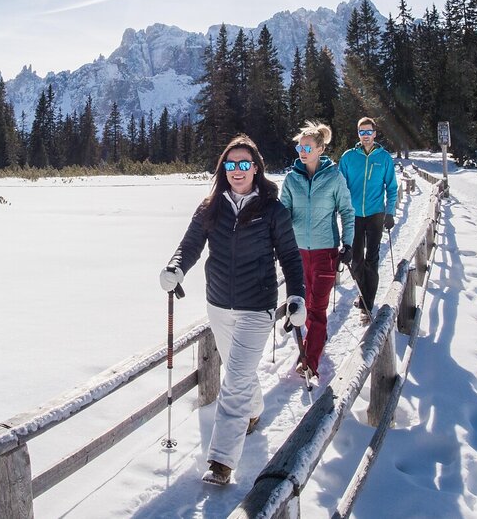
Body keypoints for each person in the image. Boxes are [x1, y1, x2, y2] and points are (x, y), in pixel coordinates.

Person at [159, 134, 305, 486]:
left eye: (244, 164)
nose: (237, 171)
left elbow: (290, 258)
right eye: (231, 164)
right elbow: (190, 245)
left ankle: (221, 462)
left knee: (236, 377)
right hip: (219, 303)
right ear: (223, 168)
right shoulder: (211, 207)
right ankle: (253, 412)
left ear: (256, 168)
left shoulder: (272, 210)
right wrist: (175, 268)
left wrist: (297, 297)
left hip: (257, 305)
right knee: (240, 373)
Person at [278, 122, 354, 382]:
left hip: (325, 252)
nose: (303, 151)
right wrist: (279, 242)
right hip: (297, 253)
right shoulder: (291, 178)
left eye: (308, 147)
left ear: (321, 149)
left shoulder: (334, 177)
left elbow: (347, 211)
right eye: (300, 146)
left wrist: (349, 244)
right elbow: (283, 213)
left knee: (317, 308)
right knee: (304, 305)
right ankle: (316, 338)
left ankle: (309, 362)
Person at [338, 116, 398, 324]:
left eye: (368, 132)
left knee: (371, 259)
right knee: (356, 260)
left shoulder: (384, 158)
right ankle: (363, 291)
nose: (365, 136)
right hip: (353, 215)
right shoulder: (348, 158)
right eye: (361, 132)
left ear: (375, 133)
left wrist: (389, 212)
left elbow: (391, 187)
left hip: (375, 214)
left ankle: (367, 305)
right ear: (358, 135)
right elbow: (340, 186)